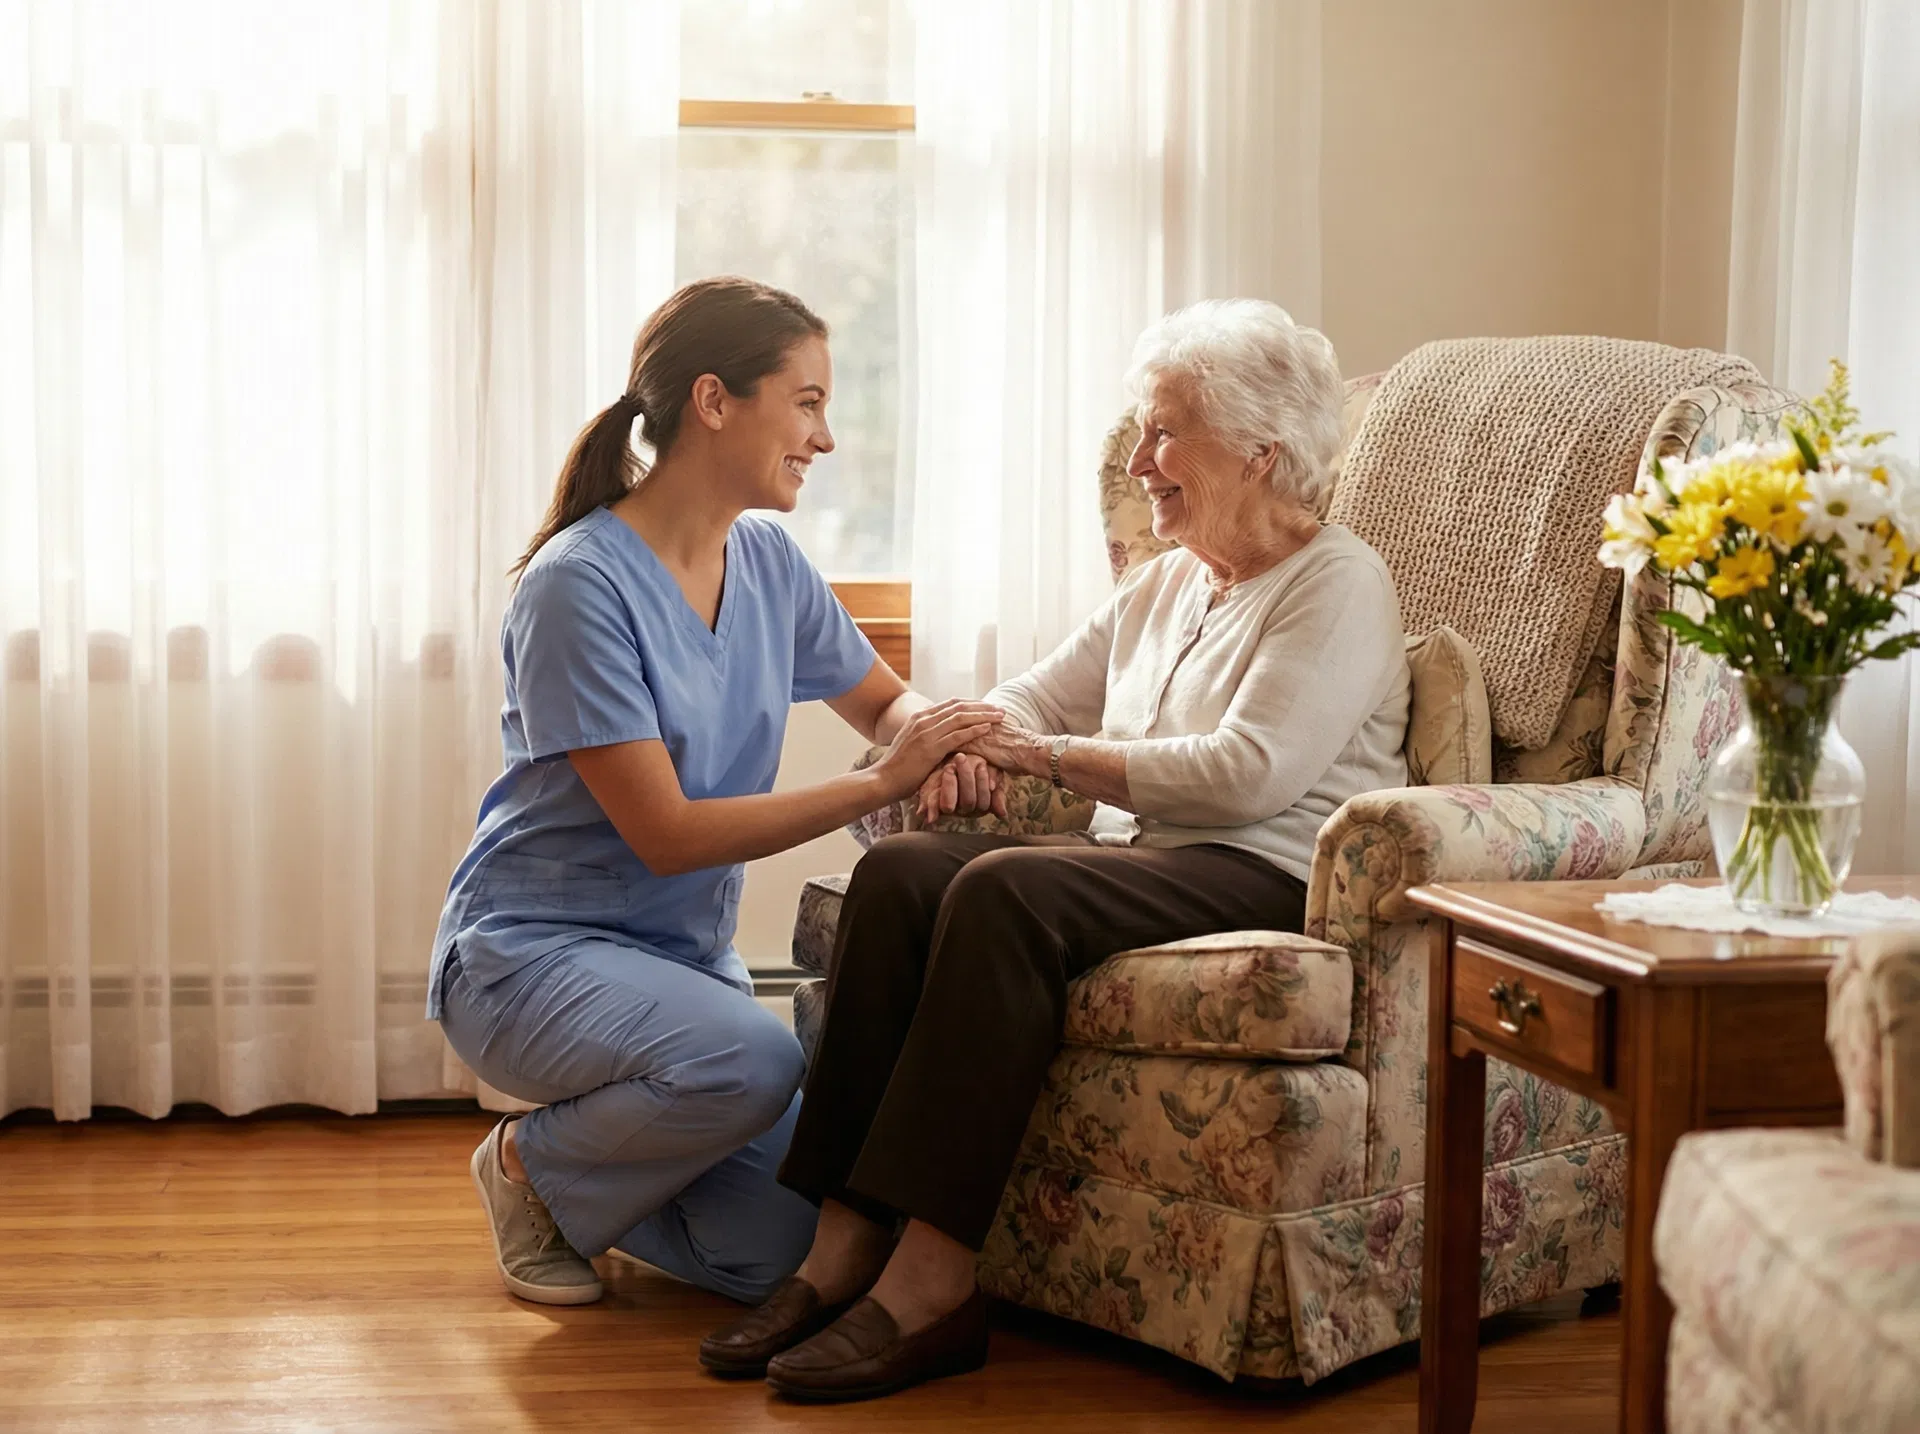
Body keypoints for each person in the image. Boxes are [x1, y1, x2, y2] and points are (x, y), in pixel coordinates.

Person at [701, 299, 1412, 1401]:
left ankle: (935, 1285)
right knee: (899, 872)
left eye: (1166, 433)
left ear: (1259, 450)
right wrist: (970, 733)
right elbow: (1043, 687)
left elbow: (1247, 772)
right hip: (1156, 863)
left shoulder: (1339, 584)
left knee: (1003, 894)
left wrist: (1048, 756)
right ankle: (841, 1244)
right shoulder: (1170, 582)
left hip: (1267, 868)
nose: (1141, 463)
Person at [431, 277, 1006, 1312]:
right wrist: (878, 783)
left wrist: (937, 738)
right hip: (526, 960)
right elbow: (666, 835)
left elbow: (884, 702)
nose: (824, 437)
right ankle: (525, 1167)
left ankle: (587, 1186)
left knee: (784, 1254)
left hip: (681, 972)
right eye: (808, 401)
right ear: (713, 401)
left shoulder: (771, 563)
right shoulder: (579, 585)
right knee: (752, 1061)